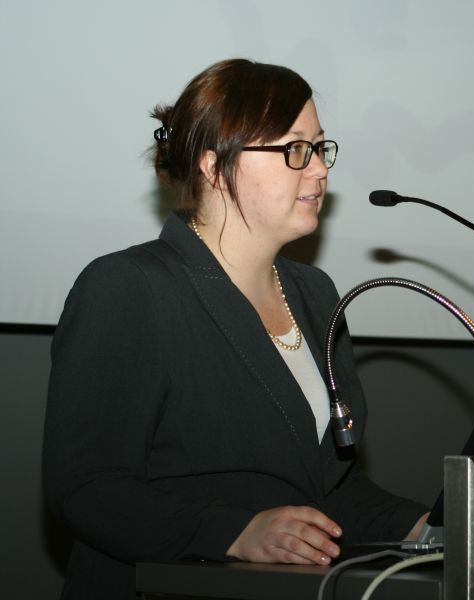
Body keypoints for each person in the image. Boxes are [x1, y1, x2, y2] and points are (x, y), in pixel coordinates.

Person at [42, 58, 428, 599]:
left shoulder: (316, 294)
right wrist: (235, 533)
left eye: (322, 148)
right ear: (213, 164)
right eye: (296, 149)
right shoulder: (130, 287)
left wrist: (432, 528)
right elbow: (86, 488)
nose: (320, 170)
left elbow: (325, 493)